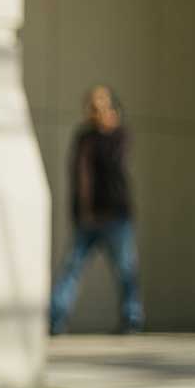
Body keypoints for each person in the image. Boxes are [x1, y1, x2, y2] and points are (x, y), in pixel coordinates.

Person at [48, 84, 143, 335]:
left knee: (126, 271)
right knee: (71, 269)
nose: (95, 108)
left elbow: (113, 167)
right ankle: (55, 319)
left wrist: (108, 127)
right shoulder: (84, 138)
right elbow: (78, 176)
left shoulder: (119, 135)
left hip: (116, 217)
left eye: (101, 102)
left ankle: (132, 318)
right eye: (92, 104)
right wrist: (79, 213)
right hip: (87, 219)